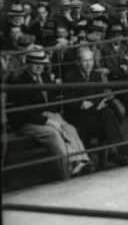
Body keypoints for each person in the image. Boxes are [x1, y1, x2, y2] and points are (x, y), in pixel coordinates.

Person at [10, 47, 94, 179]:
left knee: (69, 128)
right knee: (53, 133)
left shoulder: (45, 76)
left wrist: (53, 116)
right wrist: (48, 121)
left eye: (41, 64)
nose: (39, 67)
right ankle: (67, 171)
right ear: (28, 64)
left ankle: (82, 161)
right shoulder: (20, 81)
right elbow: (23, 114)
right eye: (35, 64)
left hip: (46, 115)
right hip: (28, 122)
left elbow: (53, 100)